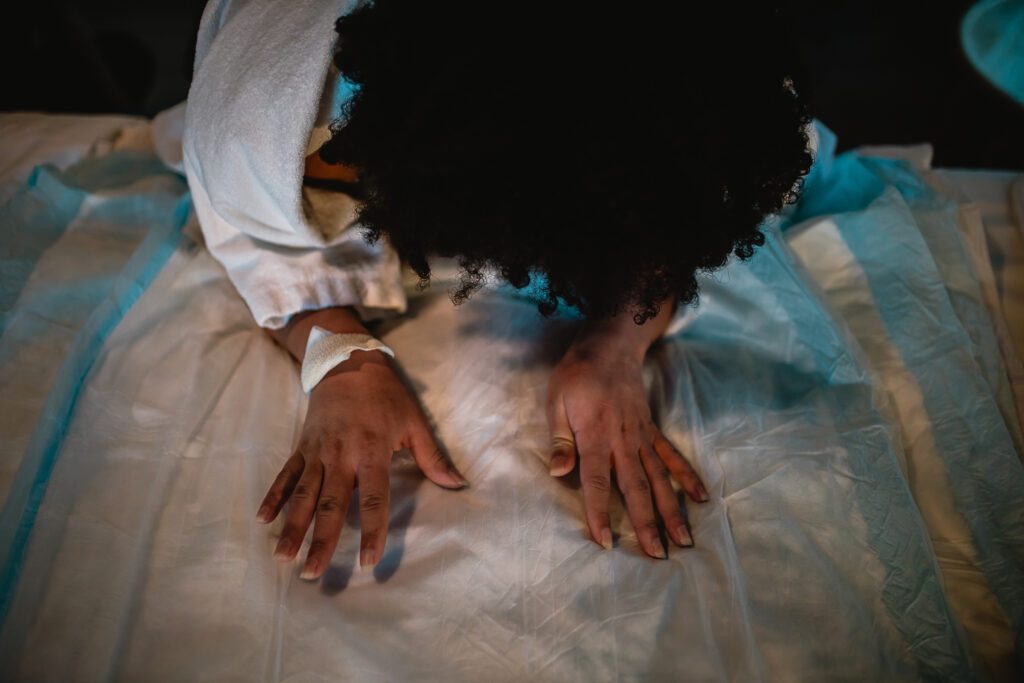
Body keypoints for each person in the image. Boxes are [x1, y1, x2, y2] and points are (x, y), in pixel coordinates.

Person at [183, 0, 812, 580]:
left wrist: (616, 343)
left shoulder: (706, 90)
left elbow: (689, 214)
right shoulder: (266, 125)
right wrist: (338, 357)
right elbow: (246, 231)